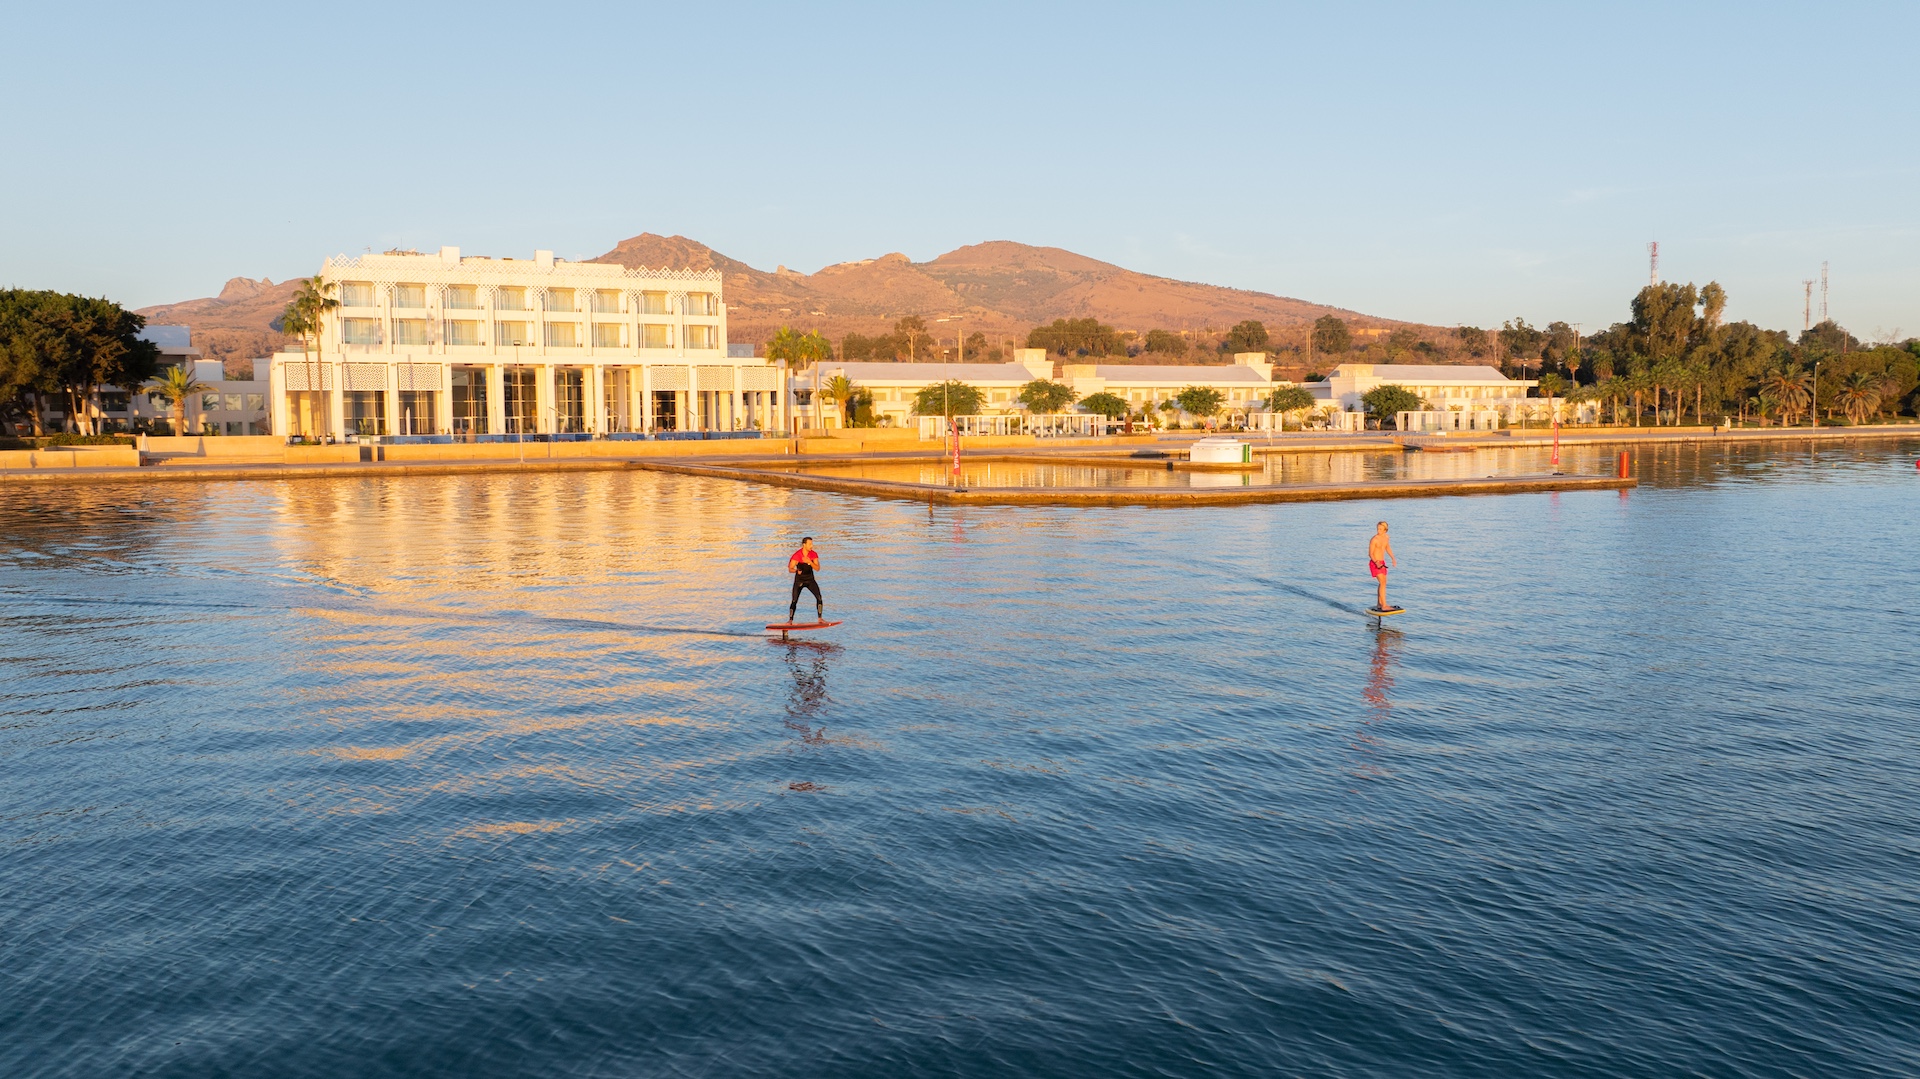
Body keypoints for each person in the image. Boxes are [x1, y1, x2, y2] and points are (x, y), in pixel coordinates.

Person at [787, 536, 824, 623]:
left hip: (810, 580)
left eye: (812, 544)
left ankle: (820, 619)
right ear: (804, 545)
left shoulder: (813, 554)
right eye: (810, 544)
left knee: (819, 598)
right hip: (799, 581)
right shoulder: (797, 555)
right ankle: (790, 620)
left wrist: (810, 562)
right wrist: (796, 571)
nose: (812, 546)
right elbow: (790, 569)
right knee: (794, 600)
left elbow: (817, 568)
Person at [1368, 521, 1399, 613]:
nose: (1378, 531)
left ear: (1385, 530)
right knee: (1382, 582)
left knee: (1383, 582)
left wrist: (1393, 557)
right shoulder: (1374, 539)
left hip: (1382, 562)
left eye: (1381, 529)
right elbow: (1370, 554)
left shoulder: (1386, 537)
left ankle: (1379, 603)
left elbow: (1387, 547)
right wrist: (1376, 562)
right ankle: (1384, 605)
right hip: (1375, 563)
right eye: (1378, 529)